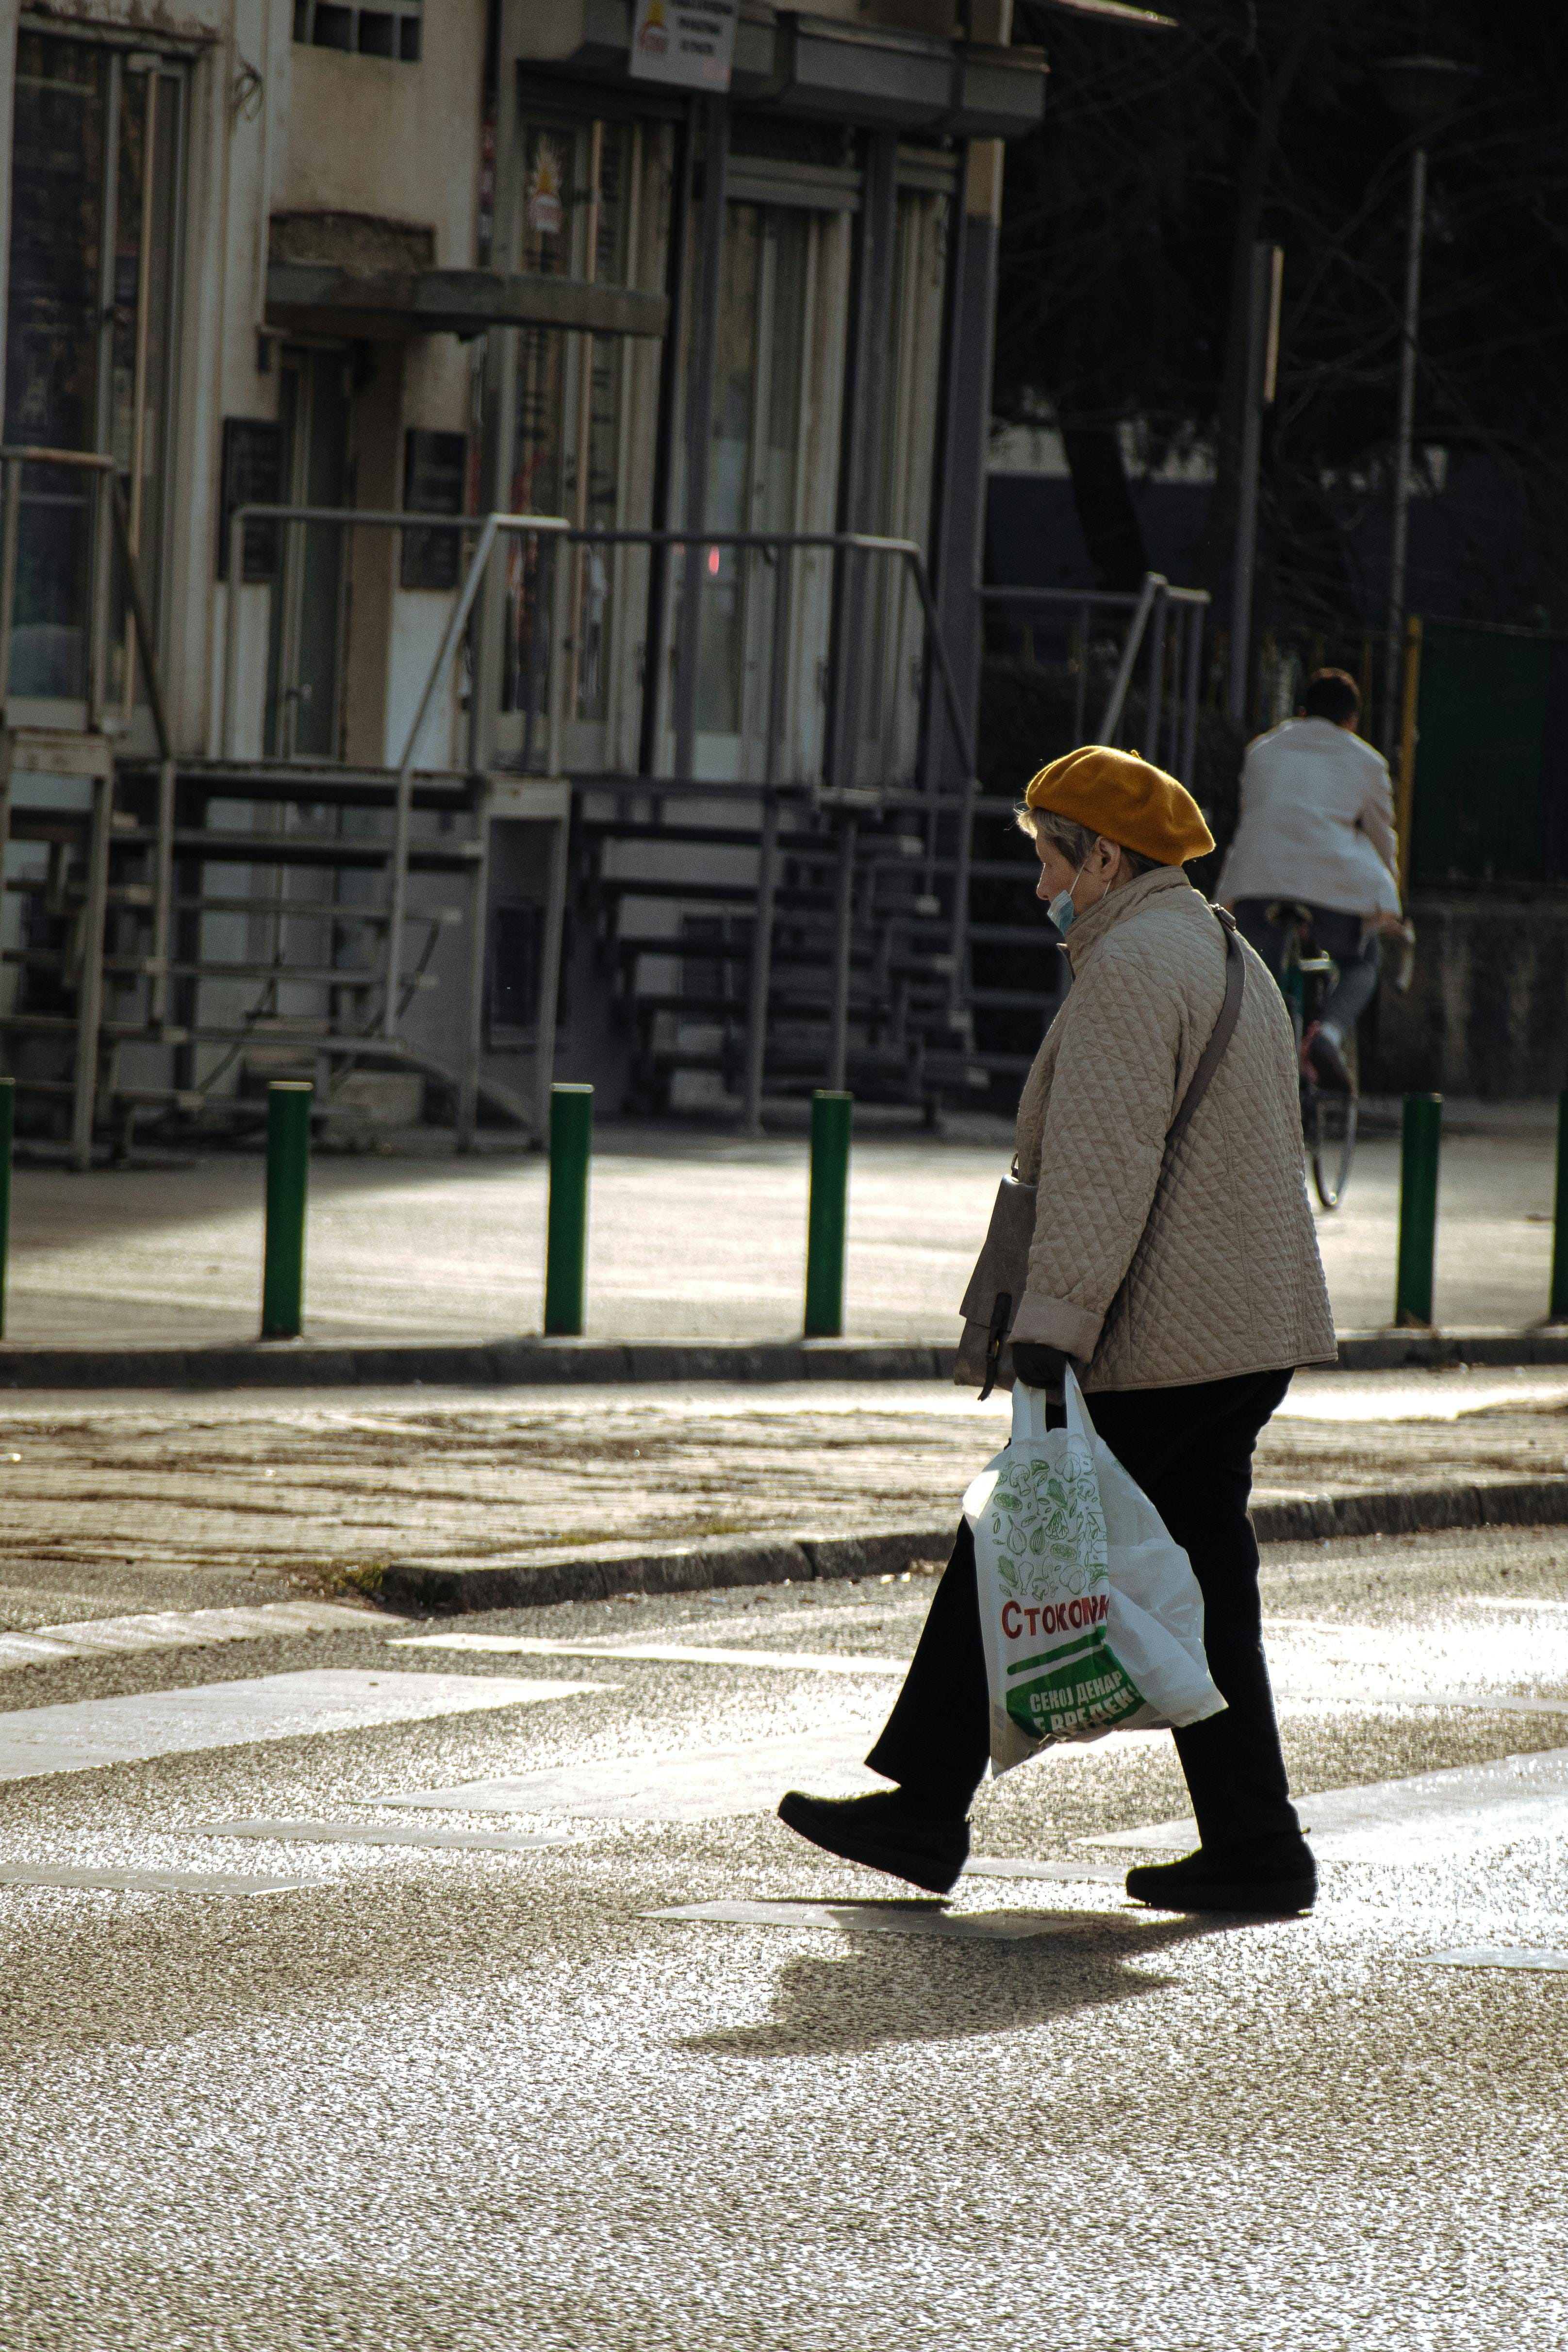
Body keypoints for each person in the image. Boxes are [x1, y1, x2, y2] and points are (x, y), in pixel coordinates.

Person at [778, 745, 1337, 1915]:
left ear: (1107, 854)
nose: (1041, 886)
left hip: (1166, 1340)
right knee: (1207, 1583)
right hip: (1243, 1335)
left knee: (1008, 1534)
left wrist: (1051, 1331)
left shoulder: (1133, 967)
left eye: (1050, 858)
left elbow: (1101, 1171)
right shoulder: (1221, 951)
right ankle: (1254, 1839)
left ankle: (924, 1809)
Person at [1219, 667, 1405, 1091]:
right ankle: (1329, 1035)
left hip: (1256, 882)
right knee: (1364, 959)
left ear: (1301, 712)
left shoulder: (1261, 750)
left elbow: (1254, 815)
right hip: (1333, 894)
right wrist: (1388, 904)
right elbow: (1382, 839)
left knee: (1254, 975)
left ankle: (1255, 1056)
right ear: (1352, 720)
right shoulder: (1368, 761)